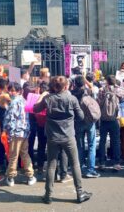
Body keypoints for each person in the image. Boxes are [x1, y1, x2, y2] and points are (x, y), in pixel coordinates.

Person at [34, 76, 92, 204]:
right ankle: (80, 192)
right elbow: (81, 116)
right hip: (68, 136)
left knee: (51, 165)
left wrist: (42, 95)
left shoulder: (48, 98)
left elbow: (35, 109)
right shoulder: (72, 99)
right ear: (66, 87)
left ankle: (48, 195)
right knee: (75, 164)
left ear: (54, 87)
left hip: (52, 137)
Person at [3, 82, 36, 187]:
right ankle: (30, 176)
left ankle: (11, 177)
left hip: (16, 132)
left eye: (13, 90)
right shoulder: (25, 101)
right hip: (24, 132)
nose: (11, 92)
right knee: (24, 154)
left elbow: (10, 119)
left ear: (18, 91)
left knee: (13, 155)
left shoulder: (13, 103)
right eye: (10, 90)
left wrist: (8, 132)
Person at [98, 75, 124, 171]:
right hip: (114, 119)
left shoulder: (102, 90)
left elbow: (98, 101)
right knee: (115, 141)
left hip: (103, 119)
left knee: (102, 141)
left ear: (106, 81)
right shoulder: (118, 90)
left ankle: (102, 162)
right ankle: (116, 162)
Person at [71, 76, 100, 178]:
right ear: (84, 83)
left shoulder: (72, 94)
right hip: (89, 121)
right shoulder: (88, 92)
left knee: (80, 145)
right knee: (92, 145)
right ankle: (90, 169)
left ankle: (81, 167)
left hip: (78, 122)